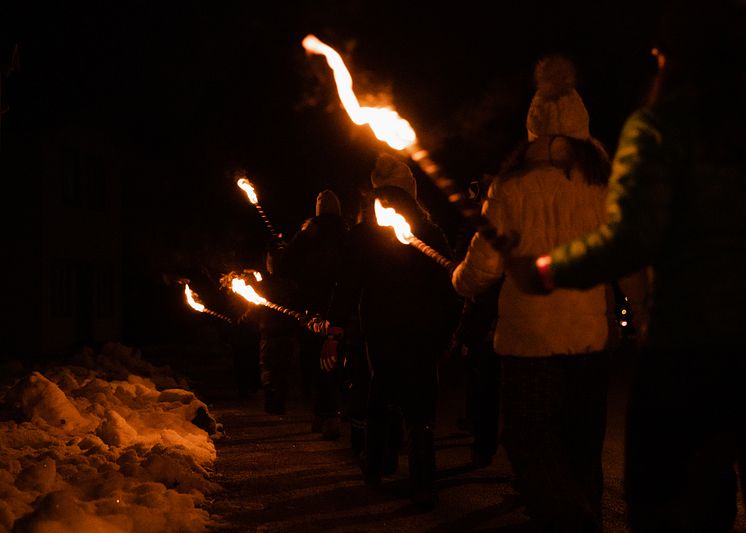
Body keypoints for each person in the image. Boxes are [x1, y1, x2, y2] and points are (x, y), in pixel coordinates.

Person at [507, 3, 746, 531]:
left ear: (674, 58)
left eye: (661, 54)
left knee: (674, 496)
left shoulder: (660, 128)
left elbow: (630, 239)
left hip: (689, 348)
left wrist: (545, 270)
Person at [451, 54, 625, 531]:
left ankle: (564, 518)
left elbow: (483, 266)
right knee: (581, 443)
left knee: (529, 440)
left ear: (532, 126)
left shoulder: (510, 186)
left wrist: (460, 280)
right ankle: (581, 518)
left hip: (530, 345)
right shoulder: (603, 186)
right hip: (589, 339)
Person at [323, 153, 461, 509]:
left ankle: (377, 464)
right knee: (420, 402)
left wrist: (336, 329)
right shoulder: (423, 231)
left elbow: (347, 285)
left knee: (382, 390)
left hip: (385, 329)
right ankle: (420, 480)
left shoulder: (381, 235)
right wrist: (450, 328)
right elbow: (449, 290)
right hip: (418, 330)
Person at [283, 189, 349, 439]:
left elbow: (283, 266)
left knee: (315, 360)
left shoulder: (309, 235)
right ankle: (330, 412)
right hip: (339, 307)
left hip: (313, 309)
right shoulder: (347, 234)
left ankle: (326, 412)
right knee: (334, 359)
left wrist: (298, 238)